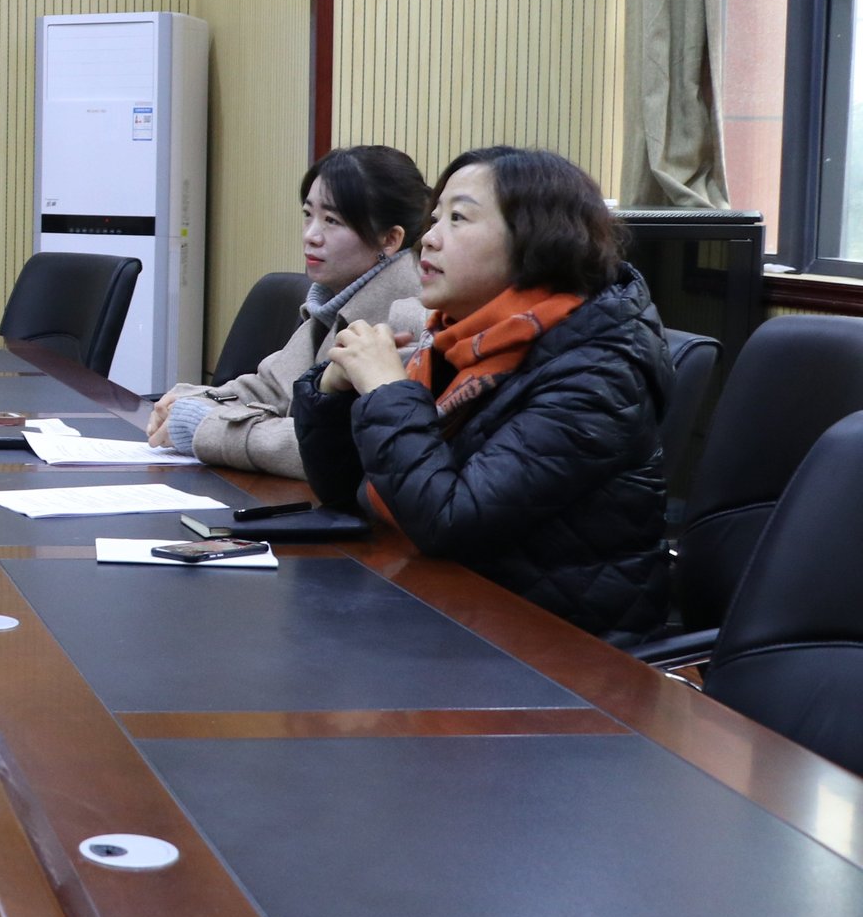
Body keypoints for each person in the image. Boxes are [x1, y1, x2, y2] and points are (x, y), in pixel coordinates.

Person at [292, 146, 669, 636]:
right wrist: (333, 394)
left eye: (458, 219)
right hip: (447, 608)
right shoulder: (459, 340)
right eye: (434, 219)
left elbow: (449, 521)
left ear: (535, 240)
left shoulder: (598, 374)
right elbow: (349, 494)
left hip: (557, 645)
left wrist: (386, 390)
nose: (429, 239)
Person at [146, 145, 430, 478]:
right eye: (308, 214)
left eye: (332, 221)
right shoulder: (332, 301)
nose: (310, 235)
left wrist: (207, 427)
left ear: (390, 239)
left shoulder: (411, 321)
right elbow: (270, 388)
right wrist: (191, 399)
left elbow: (340, 448)